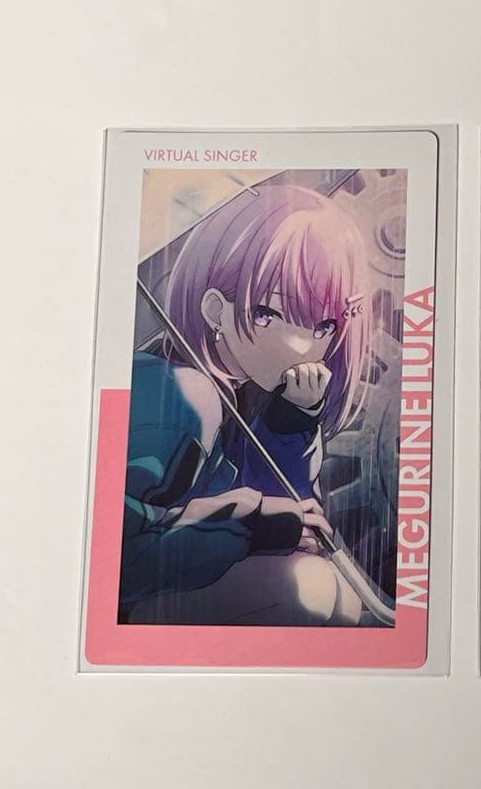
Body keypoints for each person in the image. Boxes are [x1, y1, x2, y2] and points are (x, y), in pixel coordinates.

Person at [119, 184, 373, 626]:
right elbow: (119, 549)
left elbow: (285, 508)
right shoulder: (178, 392)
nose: (303, 345)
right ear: (215, 309)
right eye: (267, 313)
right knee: (310, 589)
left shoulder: (243, 391)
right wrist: (250, 523)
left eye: (324, 325)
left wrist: (289, 422)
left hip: (186, 583)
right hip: (134, 602)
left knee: (338, 600)